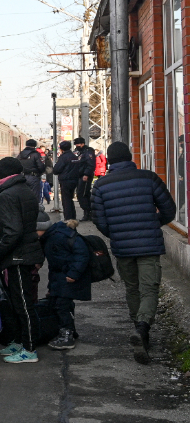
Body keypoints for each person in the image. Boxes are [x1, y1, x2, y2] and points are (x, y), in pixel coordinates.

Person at [91, 141, 176, 364]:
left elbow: (99, 220)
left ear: (108, 161)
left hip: (122, 244)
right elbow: (169, 209)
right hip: (149, 243)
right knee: (149, 287)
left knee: (132, 288)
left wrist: (117, 233)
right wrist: (154, 223)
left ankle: (139, 330)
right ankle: (143, 328)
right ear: (130, 158)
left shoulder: (100, 185)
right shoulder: (148, 178)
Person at [0, 157, 44, 364]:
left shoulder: (7, 195)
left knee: (22, 303)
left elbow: (13, 231)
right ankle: (22, 342)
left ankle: (29, 349)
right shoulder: (24, 189)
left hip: (18, 256)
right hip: (25, 252)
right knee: (21, 301)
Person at [39, 218, 90, 350]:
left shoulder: (58, 236)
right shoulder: (51, 236)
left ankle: (67, 334)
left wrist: (74, 273)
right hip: (60, 277)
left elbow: (82, 255)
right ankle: (69, 330)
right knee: (60, 303)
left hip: (66, 277)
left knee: (62, 305)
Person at [53, 141, 78, 220]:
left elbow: (56, 170)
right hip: (74, 180)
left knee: (66, 200)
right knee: (70, 199)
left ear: (61, 148)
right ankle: (73, 217)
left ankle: (68, 218)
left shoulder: (63, 157)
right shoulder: (74, 156)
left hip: (65, 181)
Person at [73, 137, 96, 221]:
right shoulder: (78, 152)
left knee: (82, 194)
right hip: (79, 175)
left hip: (85, 176)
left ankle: (88, 212)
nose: (76, 145)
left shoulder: (88, 151)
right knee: (83, 194)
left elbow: (90, 164)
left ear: (82, 144)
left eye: (78, 144)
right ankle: (89, 212)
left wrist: (86, 174)